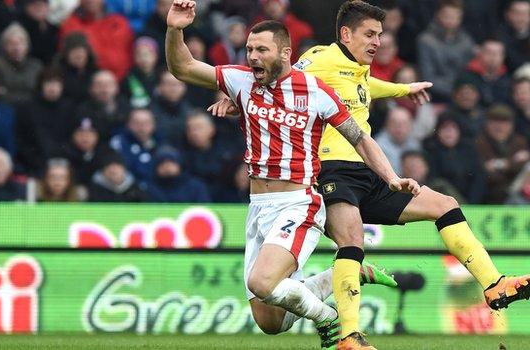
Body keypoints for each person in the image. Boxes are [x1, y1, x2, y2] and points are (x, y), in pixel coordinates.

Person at [210, 1, 529, 348]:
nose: (378, 41)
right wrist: (233, 93)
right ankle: (348, 335)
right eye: (370, 34)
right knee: (350, 242)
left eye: (380, 34)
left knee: (445, 205)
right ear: (346, 34)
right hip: (331, 171)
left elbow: (366, 87)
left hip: (369, 172)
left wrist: (402, 90)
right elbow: (277, 72)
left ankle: (494, 283)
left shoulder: (356, 69)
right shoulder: (320, 58)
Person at [166, 1, 416, 348]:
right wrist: (175, 29)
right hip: (258, 206)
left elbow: (361, 139)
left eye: (261, 50)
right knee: (272, 322)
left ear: (285, 53)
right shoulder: (241, 81)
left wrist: (391, 178)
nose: (252, 56)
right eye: (250, 49)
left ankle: (331, 321)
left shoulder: (315, 92)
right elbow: (183, 68)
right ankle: (344, 275)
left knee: (263, 282)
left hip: (298, 203)